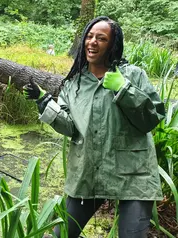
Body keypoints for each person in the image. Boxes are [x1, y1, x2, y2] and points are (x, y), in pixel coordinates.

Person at [23, 16, 165, 238]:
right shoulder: (74, 84)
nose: (92, 42)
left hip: (134, 175)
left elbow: (152, 118)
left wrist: (123, 89)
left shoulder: (132, 75)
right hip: (89, 172)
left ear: (113, 44)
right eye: (89, 37)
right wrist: (44, 101)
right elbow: (70, 127)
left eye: (101, 38)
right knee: (60, 235)